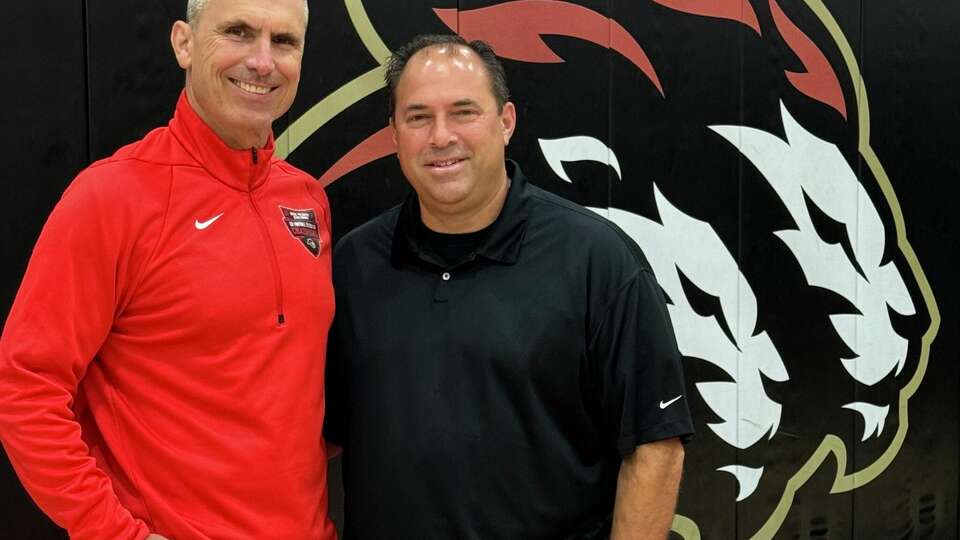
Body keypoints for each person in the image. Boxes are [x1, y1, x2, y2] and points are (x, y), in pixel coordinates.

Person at [324, 34, 694, 539]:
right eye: (417, 117)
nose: (440, 137)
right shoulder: (353, 265)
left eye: (464, 112)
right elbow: (318, 438)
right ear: (393, 133)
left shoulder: (596, 260)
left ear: (506, 122)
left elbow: (656, 447)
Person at [0, 1, 338, 539]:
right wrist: (113, 532)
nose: (261, 61)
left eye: (284, 41)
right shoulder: (112, 198)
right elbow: (24, 388)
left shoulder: (306, 198)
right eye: (238, 32)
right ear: (183, 42)